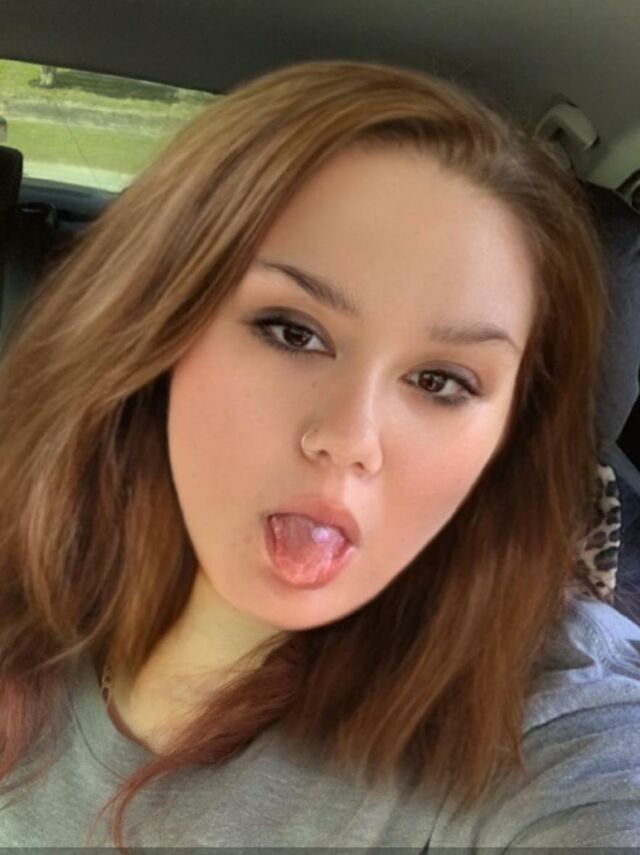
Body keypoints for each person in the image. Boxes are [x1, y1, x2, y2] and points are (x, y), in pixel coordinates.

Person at [0, 59, 638, 850]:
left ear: (508, 438)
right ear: (156, 329)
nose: (350, 437)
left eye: (441, 381)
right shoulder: (26, 562)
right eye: (292, 331)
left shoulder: (550, 723)